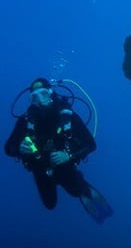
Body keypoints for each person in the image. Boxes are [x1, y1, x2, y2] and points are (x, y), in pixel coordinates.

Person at [4, 77, 113, 223]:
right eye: (34, 97)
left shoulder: (67, 116)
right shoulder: (26, 121)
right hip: (40, 168)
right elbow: (8, 148)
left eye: (43, 94)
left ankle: (84, 190)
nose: (40, 100)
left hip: (64, 165)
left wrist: (68, 155)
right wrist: (19, 148)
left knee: (77, 191)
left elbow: (91, 144)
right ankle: (77, 185)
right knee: (50, 205)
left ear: (50, 93)